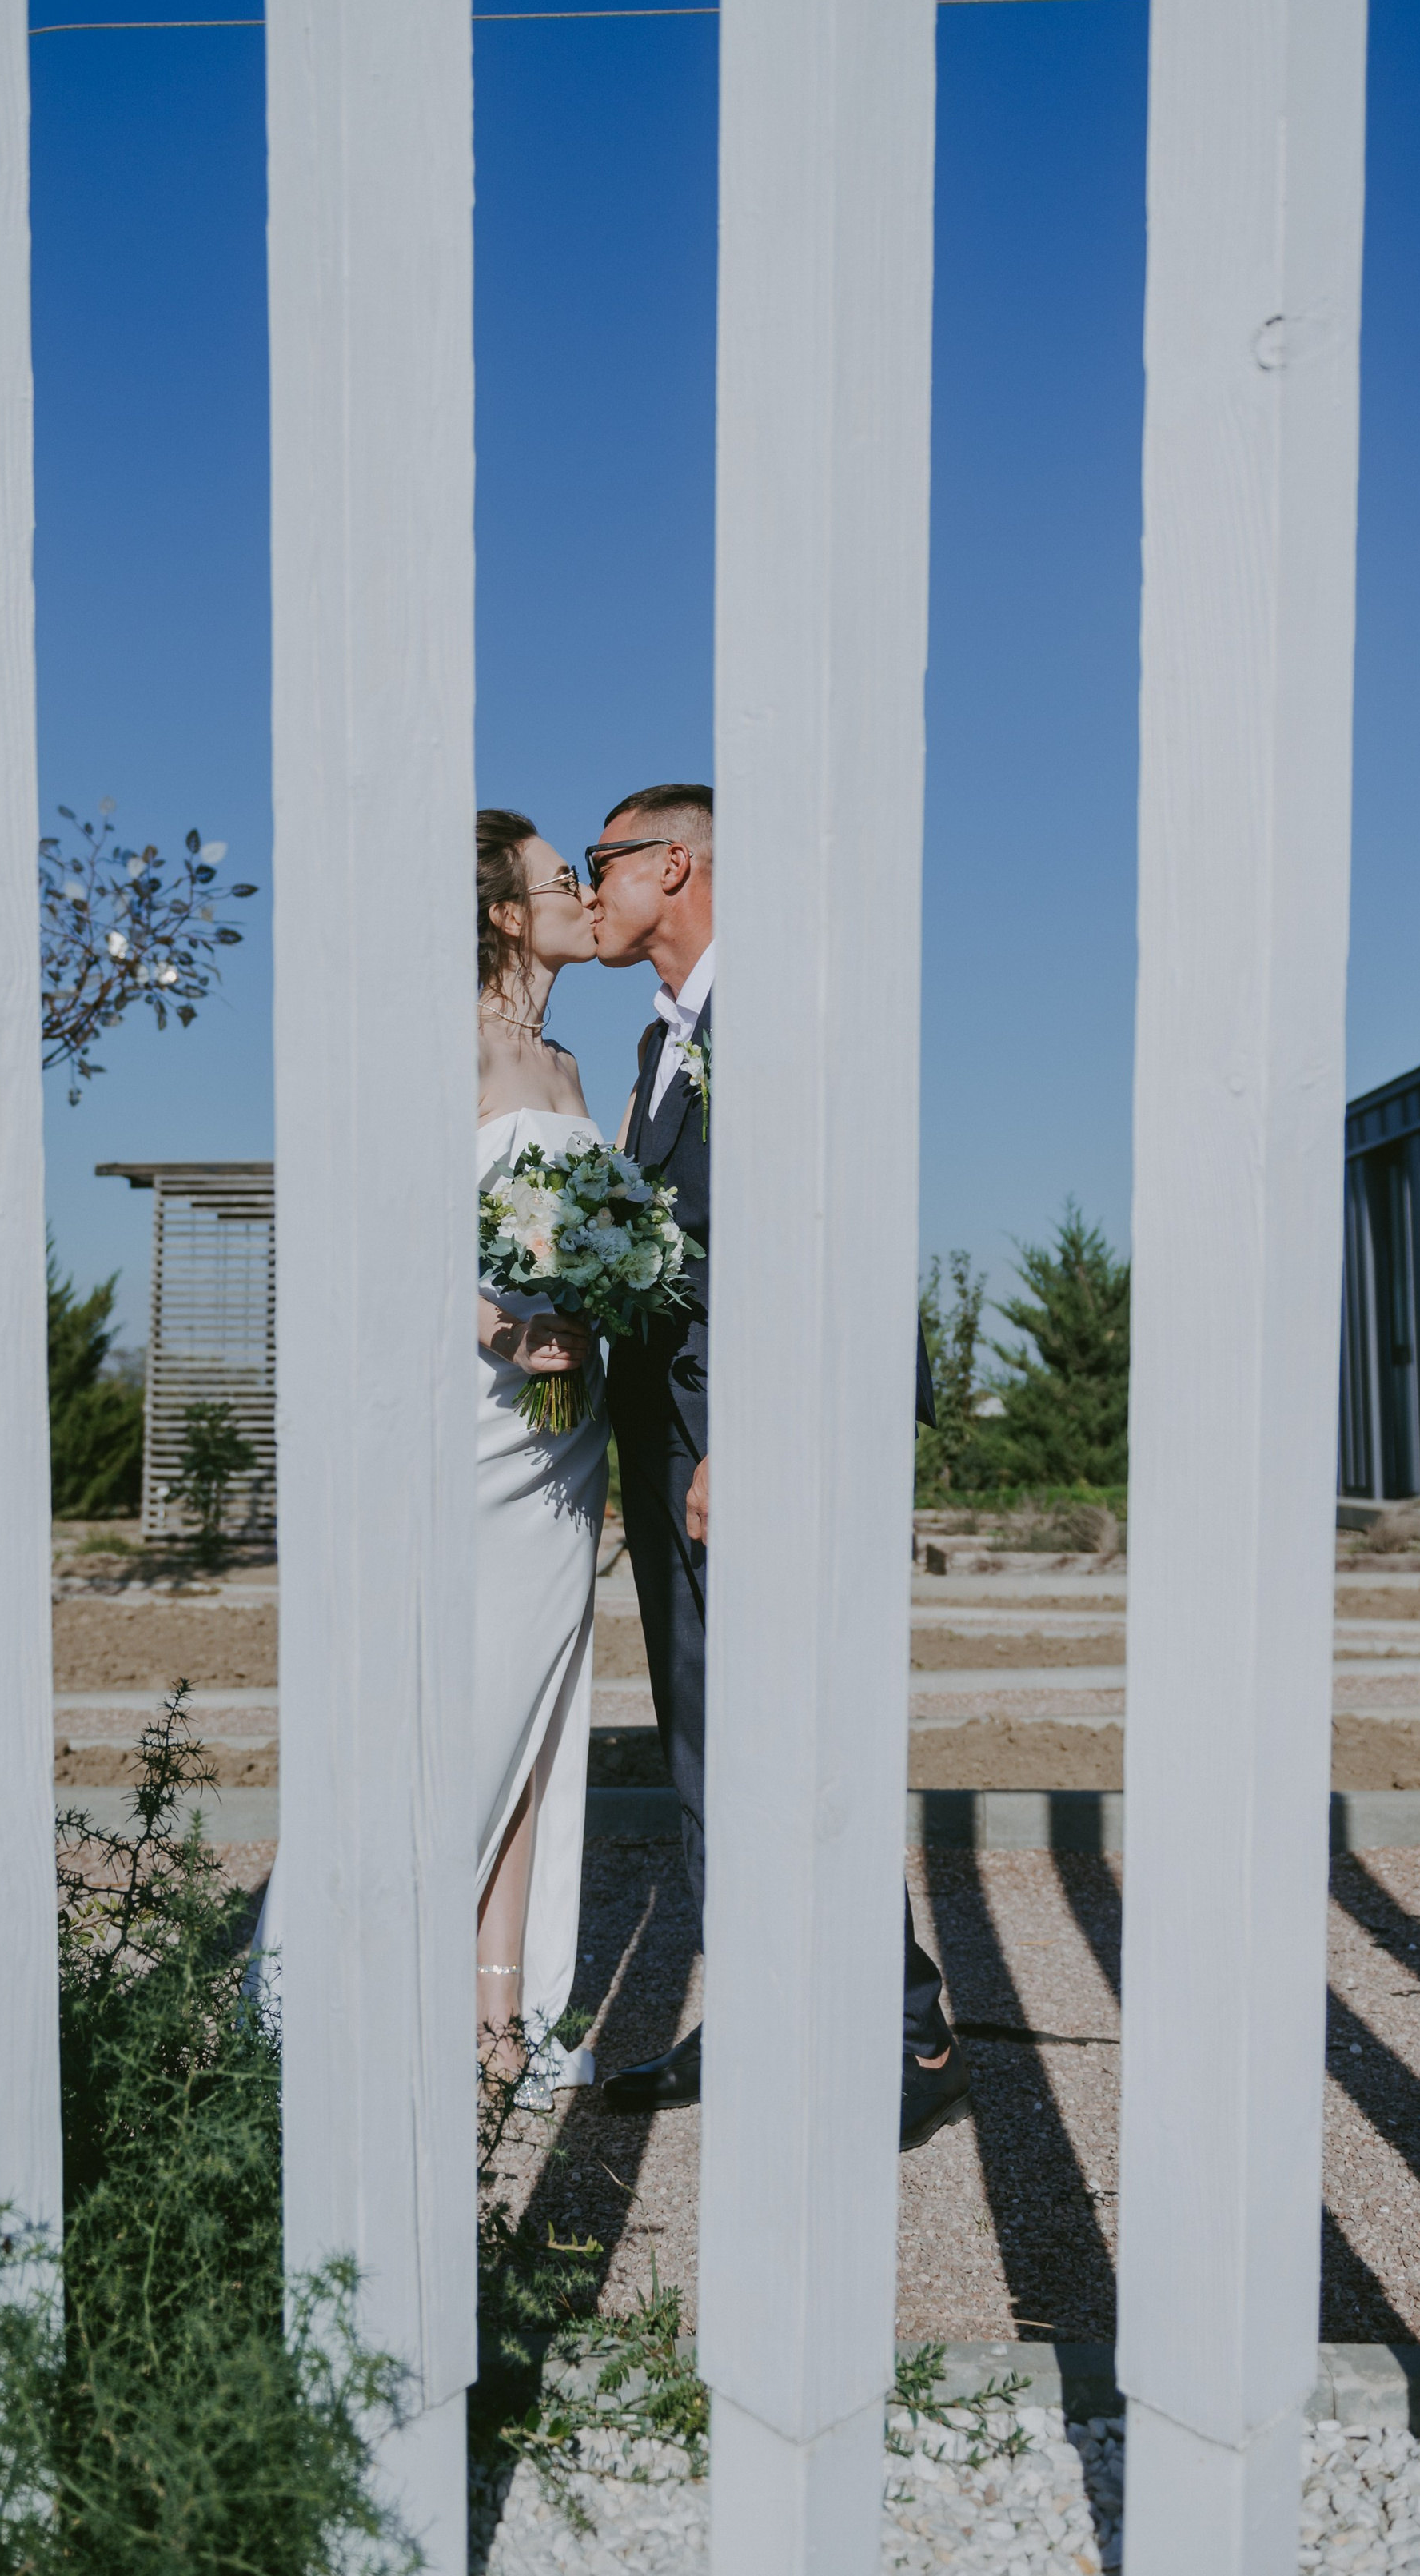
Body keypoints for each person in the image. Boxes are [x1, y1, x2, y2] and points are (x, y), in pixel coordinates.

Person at [585, 781, 971, 2151]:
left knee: (796, 1732)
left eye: (604, 862)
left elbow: (808, 1230)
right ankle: (757, 2012)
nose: (589, 890)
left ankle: (906, 2029)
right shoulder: (657, 1042)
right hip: (669, 1425)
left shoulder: (783, 1009)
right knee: (706, 1739)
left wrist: (750, 1434)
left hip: (767, 1429)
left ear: (674, 864)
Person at [253, 810, 608, 2084]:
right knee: (451, 1697)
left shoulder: (571, 1062)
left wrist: (598, 1301)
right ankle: (345, 1974)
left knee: (537, 1709)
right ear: (506, 912)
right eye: (561, 876)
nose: (581, 891)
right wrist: (502, 1325)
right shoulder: (445, 1043)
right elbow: (381, 1231)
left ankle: (499, 2014)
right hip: (473, 1412)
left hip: (568, 1426)